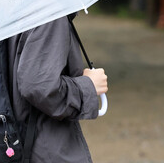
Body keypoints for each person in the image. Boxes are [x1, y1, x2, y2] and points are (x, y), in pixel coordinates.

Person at [7, 13, 108, 163]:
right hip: (42, 147)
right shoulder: (48, 10)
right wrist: (88, 86)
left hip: (5, 142)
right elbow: (39, 86)